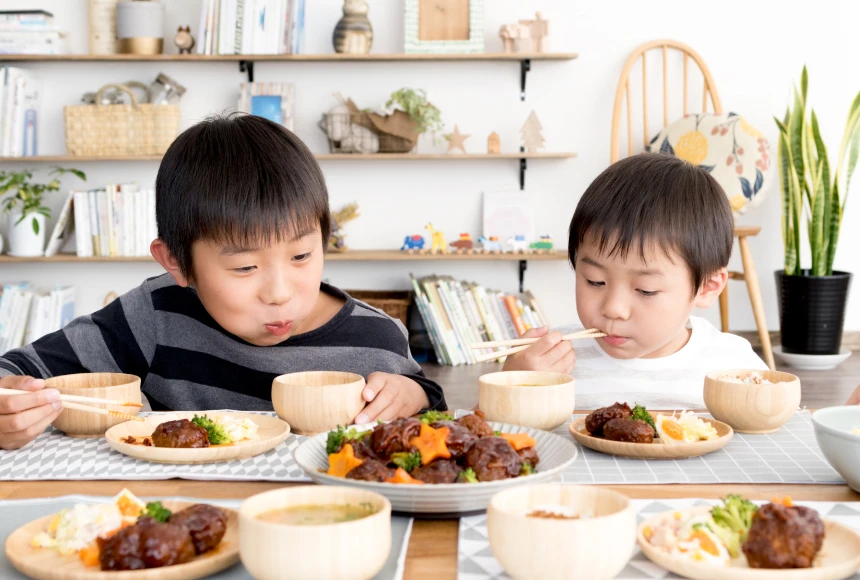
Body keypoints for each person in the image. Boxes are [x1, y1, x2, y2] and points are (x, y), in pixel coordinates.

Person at [0, 114, 445, 449]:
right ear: (177, 262)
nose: (280, 292)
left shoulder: (375, 340)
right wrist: (12, 405)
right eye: (245, 268)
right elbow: (16, 373)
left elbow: (430, 415)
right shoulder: (155, 315)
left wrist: (413, 397)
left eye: (302, 256)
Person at [503, 152, 766, 409]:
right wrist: (511, 385)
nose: (613, 309)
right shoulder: (554, 362)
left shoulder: (733, 365)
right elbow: (485, 436)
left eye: (646, 290)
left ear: (706, 288)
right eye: (595, 281)